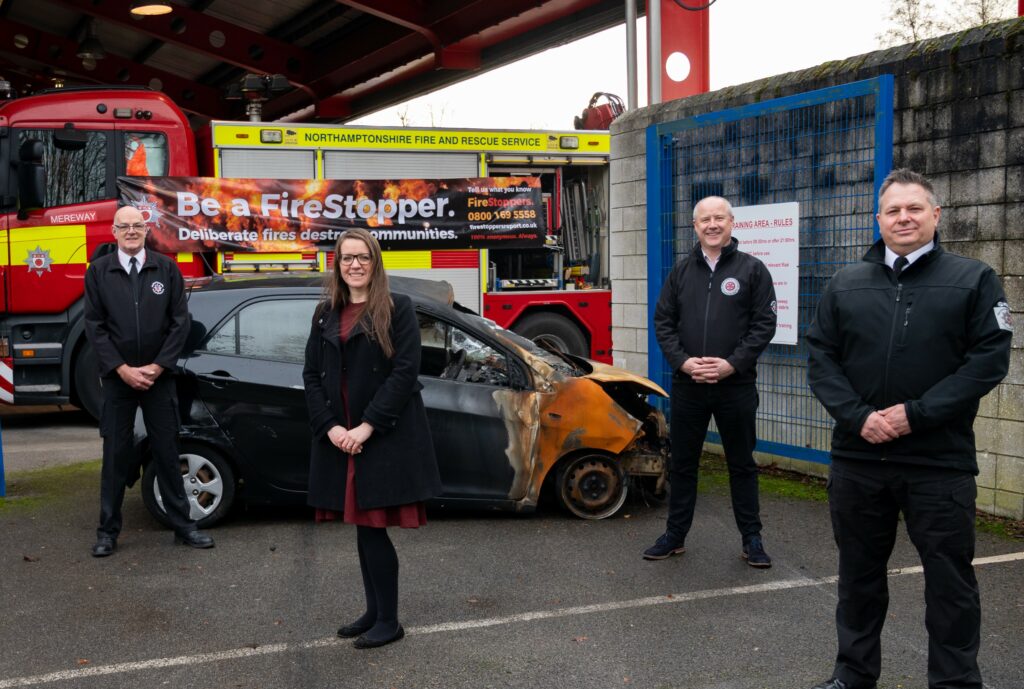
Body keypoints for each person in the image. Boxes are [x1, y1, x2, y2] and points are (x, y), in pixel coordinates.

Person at [805, 168, 1012, 689]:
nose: (904, 218)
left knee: (950, 586)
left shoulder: (974, 279)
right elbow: (822, 357)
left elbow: (987, 362)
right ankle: (852, 677)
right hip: (859, 460)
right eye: (893, 210)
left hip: (937, 464)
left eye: (915, 208)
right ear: (879, 219)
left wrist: (912, 414)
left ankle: (955, 682)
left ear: (936, 215)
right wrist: (858, 418)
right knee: (858, 580)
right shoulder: (846, 282)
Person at [303, 228, 442, 650]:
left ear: (375, 262)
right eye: (347, 258)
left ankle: (390, 620)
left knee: (372, 527)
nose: (355, 265)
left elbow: (404, 375)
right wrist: (331, 427)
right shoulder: (326, 311)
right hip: (341, 435)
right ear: (338, 265)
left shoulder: (397, 308)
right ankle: (373, 611)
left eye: (362, 257)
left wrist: (365, 428)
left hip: (381, 435)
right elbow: (311, 375)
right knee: (362, 528)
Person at [646, 195, 778, 567]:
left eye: (719, 218)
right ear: (695, 226)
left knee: (741, 464)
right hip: (689, 387)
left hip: (735, 387)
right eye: (705, 219)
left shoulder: (753, 270)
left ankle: (752, 539)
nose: (712, 224)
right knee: (684, 464)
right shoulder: (681, 272)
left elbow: (763, 325)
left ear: (732, 223)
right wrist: (685, 363)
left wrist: (732, 365)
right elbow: (664, 323)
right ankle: (675, 535)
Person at [83, 205, 213, 557]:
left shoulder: (166, 268)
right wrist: (121, 368)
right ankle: (107, 532)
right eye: (123, 226)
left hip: (159, 379)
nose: (130, 232)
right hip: (117, 380)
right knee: (115, 455)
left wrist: (159, 366)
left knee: (168, 452)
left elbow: (179, 323)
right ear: (113, 231)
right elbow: (94, 327)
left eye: (136, 226)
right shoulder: (98, 272)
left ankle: (184, 526)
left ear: (146, 229)